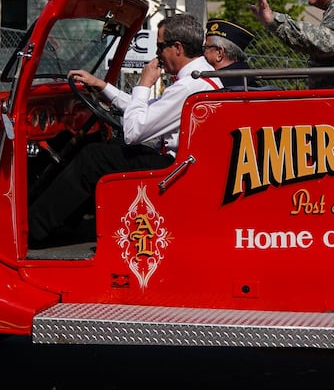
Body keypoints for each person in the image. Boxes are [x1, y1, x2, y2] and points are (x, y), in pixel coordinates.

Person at [28, 13, 219, 244]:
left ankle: (33, 230)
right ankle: (69, 224)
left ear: (177, 48)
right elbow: (148, 111)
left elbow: (133, 132)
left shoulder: (188, 86)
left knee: (93, 157)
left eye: (160, 47)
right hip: (183, 164)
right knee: (103, 148)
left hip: (175, 169)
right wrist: (102, 86)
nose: (157, 54)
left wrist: (144, 84)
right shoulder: (199, 79)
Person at [202, 16, 261, 90]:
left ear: (219, 53)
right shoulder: (248, 78)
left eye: (206, 47)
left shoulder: (215, 84)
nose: (203, 53)